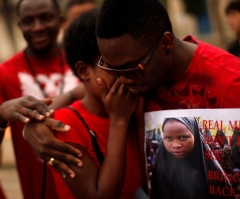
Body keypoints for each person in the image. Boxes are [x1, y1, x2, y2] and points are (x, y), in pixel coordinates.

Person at [23, 0, 240, 196]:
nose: (123, 81)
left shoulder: (231, 83)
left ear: (166, 44)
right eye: (110, 68)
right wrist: (33, 124)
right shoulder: (141, 80)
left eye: (129, 69)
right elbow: (84, 91)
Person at [45, 9, 142, 198]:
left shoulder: (133, 107)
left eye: (130, 62)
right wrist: (118, 120)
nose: (126, 73)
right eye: (113, 65)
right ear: (84, 71)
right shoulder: (66, 122)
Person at [0, 0, 80, 198]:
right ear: (20, 26)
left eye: (45, 18)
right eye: (28, 21)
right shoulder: (5, 73)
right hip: (39, 190)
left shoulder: (81, 61)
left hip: (89, 185)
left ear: (61, 21)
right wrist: (1, 116)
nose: (38, 27)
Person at [150, 117, 235, 199]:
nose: (176, 145)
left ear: (195, 135)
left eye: (183, 137)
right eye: (168, 138)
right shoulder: (159, 168)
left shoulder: (212, 171)